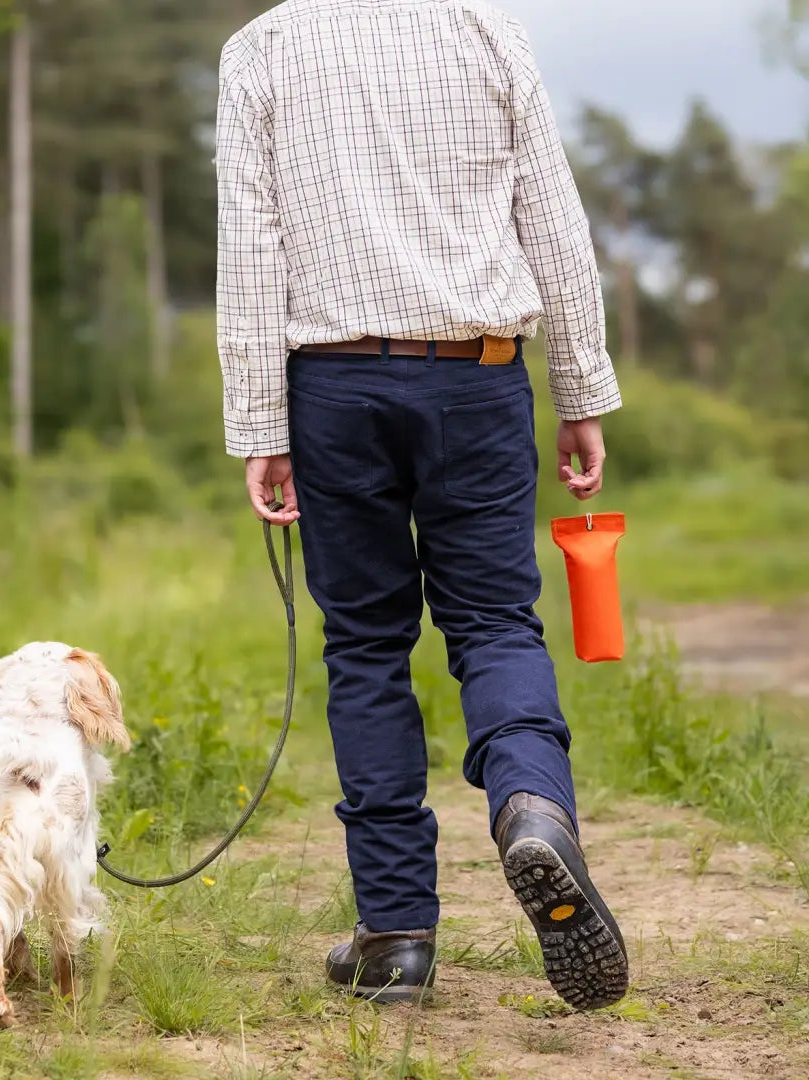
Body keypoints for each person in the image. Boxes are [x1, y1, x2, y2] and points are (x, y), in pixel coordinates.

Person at [215, 0, 628, 1009]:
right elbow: (553, 221)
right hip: (478, 377)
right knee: (492, 622)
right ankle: (531, 806)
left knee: (365, 646)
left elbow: (251, 245)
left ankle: (396, 936)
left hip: (334, 386)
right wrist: (581, 392)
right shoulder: (487, 29)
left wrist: (258, 424)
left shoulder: (262, 47)